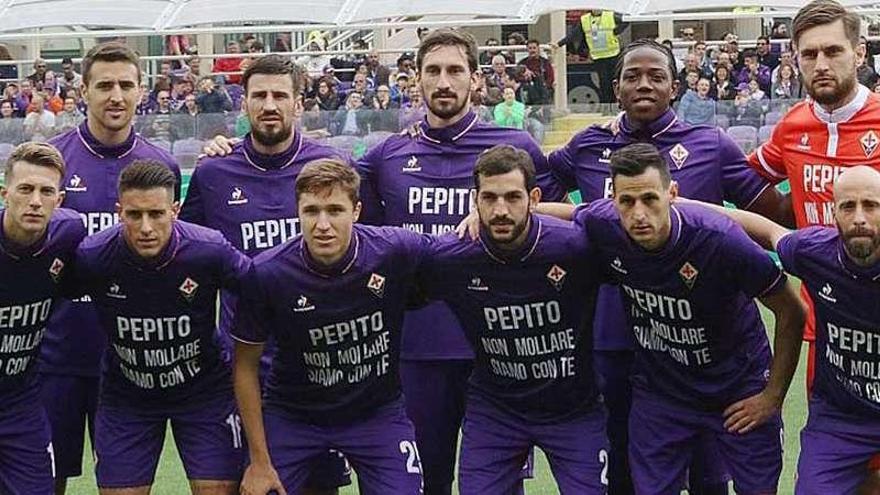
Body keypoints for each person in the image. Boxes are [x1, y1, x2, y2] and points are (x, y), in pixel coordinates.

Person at [546, 38, 793, 495]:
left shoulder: (709, 144)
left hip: (706, 338)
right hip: (612, 330)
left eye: (656, 77)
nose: (643, 84)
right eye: (632, 77)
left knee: (708, 470)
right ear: (616, 87)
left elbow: (772, 211)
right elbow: (539, 194)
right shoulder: (589, 142)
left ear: (674, 87)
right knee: (624, 461)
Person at [356, 28, 566, 495]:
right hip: (416, 348)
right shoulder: (388, 155)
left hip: (499, 352)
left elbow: (558, 226)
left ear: (475, 80)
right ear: (417, 80)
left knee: (497, 484)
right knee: (424, 482)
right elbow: (332, 196)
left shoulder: (515, 149)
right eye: (433, 71)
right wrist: (229, 145)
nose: (444, 81)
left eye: (455, 70)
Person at [572, 143, 805, 494]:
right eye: (626, 202)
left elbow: (791, 309)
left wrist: (772, 396)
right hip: (663, 392)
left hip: (739, 390)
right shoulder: (603, 223)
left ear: (672, 194)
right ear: (613, 202)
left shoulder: (721, 240)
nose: (638, 214)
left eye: (650, 199)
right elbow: (557, 213)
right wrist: (480, 217)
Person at [184, 55, 354, 495]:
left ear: (299, 103)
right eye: (259, 95)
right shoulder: (213, 171)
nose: (269, 104)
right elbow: (190, 261)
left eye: (280, 95)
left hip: (317, 366)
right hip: (243, 366)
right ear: (244, 104)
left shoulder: (329, 168)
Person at [423, 145, 609, 494]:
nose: (500, 210)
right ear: (474, 200)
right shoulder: (451, 257)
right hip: (496, 411)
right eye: (489, 198)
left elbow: (623, 228)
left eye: (512, 197)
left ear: (534, 197)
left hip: (573, 409)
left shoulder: (576, 247)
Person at [232, 158, 424, 495]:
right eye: (312, 211)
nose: (323, 224)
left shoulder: (394, 249)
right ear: (298, 213)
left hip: (376, 415)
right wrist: (259, 461)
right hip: (294, 416)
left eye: (335, 210)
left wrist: (475, 219)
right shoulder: (266, 273)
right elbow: (245, 366)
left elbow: (457, 252)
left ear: (357, 210)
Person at [40, 41, 181, 495]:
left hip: (128, 363)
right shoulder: (53, 161)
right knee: (43, 481)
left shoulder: (162, 165)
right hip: (55, 357)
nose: (115, 95)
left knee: (123, 485)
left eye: (126, 85)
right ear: (83, 91)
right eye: (104, 85)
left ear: (142, 91)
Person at [686, 166, 880, 494]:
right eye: (848, 206)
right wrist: (676, 204)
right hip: (841, 418)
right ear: (833, 214)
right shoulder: (817, 252)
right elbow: (764, 230)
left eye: (871, 206)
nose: (859, 217)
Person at [71, 161, 250, 494]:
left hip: (204, 393)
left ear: (175, 210)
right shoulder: (93, 256)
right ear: (118, 212)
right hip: (127, 396)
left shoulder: (209, 249)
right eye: (134, 215)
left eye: (156, 214)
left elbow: (261, 291)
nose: (146, 227)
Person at [747, 0, 880, 398]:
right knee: (833, 441)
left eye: (833, 51)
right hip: (826, 318)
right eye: (810, 53)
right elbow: (742, 180)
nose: (821, 63)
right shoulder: (792, 127)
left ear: (859, 54)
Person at [0, 142, 86, 495]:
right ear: (5, 194)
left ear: (59, 199)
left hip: (20, 403)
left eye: (46, 191)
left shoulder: (68, 235)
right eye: (25, 189)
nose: (35, 200)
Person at [555, 10, 628, 103]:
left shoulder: (610, 15)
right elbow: (573, 34)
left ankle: (616, 105)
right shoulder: (585, 19)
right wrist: (559, 44)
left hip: (613, 54)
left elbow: (626, 21)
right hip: (598, 56)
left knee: (615, 81)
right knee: (603, 83)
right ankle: (605, 107)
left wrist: (617, 31)